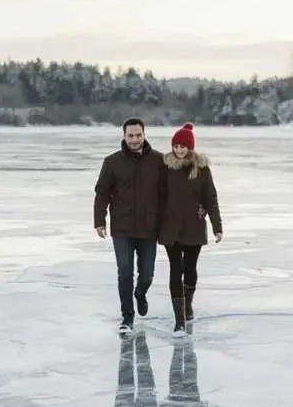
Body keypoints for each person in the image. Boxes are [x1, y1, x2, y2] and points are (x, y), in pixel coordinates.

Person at [94, 117, 167, 333]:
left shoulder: (158, 160)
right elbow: (102, 193)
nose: (135, 139)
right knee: (124, 272)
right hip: (122, 228)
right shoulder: (112, 162)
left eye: (138, 135)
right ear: (124, 136)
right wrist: (99, 221)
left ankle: (140, 293)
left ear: (144, 135)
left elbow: (170, 193)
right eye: (130, 136)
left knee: (147, 274)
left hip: (149, 228)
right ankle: (127, 317)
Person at [158, 123, 223, 336]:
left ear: (190, 147)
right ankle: (179, 321)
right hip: (170, 228)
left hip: (194, 226)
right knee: (175, 270)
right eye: (176, 146)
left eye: (183, 146)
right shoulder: (165, 167)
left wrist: (217, 226)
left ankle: (187, 307)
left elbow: (210, 197)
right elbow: (156, 196)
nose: (179, 150)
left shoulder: (202, 169)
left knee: (190, 269)